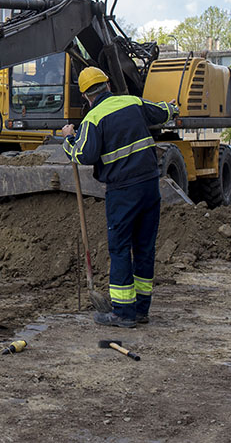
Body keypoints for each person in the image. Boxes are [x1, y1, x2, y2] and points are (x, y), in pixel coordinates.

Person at [61, 67, 177, 328]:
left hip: (123, 191)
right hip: (149, 185)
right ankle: (141, 310)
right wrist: (172, 108)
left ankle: (123, 313)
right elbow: (162, 112)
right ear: (108, 84)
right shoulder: (133, 102)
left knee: (121, 248)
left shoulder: (93, 119)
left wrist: (69, 139)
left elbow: (83, 155)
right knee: (144, 248)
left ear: (85, 95)